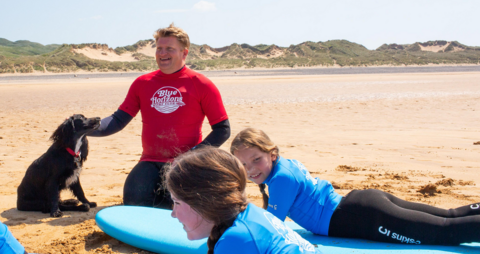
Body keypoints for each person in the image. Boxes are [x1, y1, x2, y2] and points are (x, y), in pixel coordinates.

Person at [230, 128, 480, 246]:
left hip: (362, 217)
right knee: (449, 216)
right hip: (361, 203)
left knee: (445, 233)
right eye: (243, 164)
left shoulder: (281, 180)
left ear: (271, 154)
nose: (251, 170)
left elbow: (272, 226)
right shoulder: (285, 165)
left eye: (256, 159)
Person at [88, 23, 230, 208]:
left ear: (184, 53)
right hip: (150, 161)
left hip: (185, 165)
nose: (162, 53)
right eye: (159, 49)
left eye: (169, 49)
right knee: (133, 202)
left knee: (179, 208)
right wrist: (84, 129)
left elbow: (222, 130)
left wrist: (191, 157)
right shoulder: (143, 83)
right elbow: (117, 120)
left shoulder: (201, 84)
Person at [164, 147, 322, 254]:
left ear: (205, 202)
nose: (173, 214)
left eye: (177, 203)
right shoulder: (250, 214)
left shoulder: (236, 240)